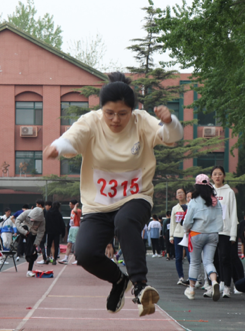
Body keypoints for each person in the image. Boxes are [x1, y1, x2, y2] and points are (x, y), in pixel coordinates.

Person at [42, 71, 183, 316]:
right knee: (85, 253)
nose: (116, 120)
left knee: (125, 221)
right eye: (109, 113)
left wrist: (170, 122)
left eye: (122, 114)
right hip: (98, 204)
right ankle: (119, 280)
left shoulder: (141, 121)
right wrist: (57, 147)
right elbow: (72, 138)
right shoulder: (91, 121)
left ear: (132, 110)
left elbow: (170, 136)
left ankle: (140, 285)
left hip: (136, 197)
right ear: (102, 109)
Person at [182, 174, 224, 301]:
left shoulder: (194, 201)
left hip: (197, 233)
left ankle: (191, 289)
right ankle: (214, 281)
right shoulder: (215, 201)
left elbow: (187, 221)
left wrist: (186, 228)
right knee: (208, 261)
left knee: (195, 262)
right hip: (213, 234)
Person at [211, 166, 240, 298]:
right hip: (211, 230)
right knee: (212, 259)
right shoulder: (209, 192)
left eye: (220, 174)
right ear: (211, 177)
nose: (217, 176)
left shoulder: (229, 192)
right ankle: (214, 284)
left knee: (225, 258)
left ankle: (227, 286)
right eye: (215, 174)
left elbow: (233, 213)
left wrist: (233, 234)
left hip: (224, 231)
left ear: (224, 176)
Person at [16, 200, 46, 276]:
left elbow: (41, 232)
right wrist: (24, 232)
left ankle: (29, 270)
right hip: (24, 230)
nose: (33, 221)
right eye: (32, 219)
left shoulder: (42, 220)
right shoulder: (26, 213)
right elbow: (17, 221)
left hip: (33, 234)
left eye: (36, 220)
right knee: (25, 228)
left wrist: (36, 243)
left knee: (32, 253)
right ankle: (20, 250)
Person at [170, 188, 190, 286]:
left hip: (188, 234)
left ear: (185, 194)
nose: (180, 194)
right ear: (176, 196)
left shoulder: (190, 206)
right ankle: (181, 277)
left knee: (190, 257)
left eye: (181, 192)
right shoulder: (175, 208)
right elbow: (172, 223)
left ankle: (192, 278)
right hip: (177, 234)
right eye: (178, 193)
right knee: (178, 257)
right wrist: (171, 236)